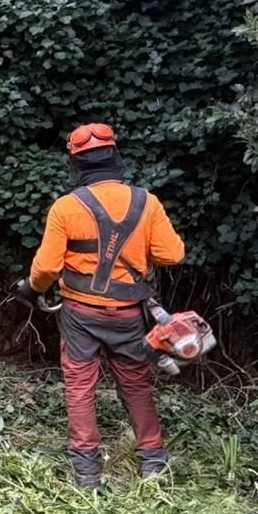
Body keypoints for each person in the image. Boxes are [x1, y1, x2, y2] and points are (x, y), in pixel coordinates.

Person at [14, 123, 185, 488]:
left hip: (80, 315)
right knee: (136, 384)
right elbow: (172, 254)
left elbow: (45, 269)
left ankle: (87, 473)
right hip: (129, 314)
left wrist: (33, 288)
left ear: (76, 163)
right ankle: (153, 462)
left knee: (79, 386)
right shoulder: (146, 202)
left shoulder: (66, 207)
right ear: (114, 157)